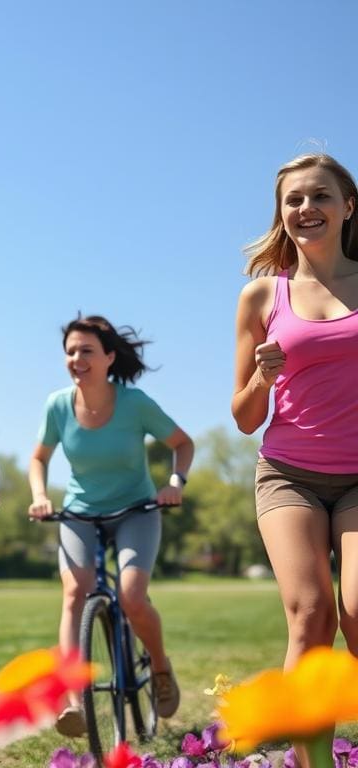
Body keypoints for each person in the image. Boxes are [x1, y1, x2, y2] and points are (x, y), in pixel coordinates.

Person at [28, 315, 193, 737]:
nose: (76, 359)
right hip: (80, 513)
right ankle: (72, 701)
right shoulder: (58, 405)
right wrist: (40, 495)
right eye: (70, 352)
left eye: (86, 351)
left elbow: (182, 444)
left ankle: (158, 667)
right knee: (73, 593)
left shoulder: (134, 403)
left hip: (136, 510)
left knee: (133, 596)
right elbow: (39, 458)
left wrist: (175, 483)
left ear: (108, 357)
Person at [232, 155, 358, 690]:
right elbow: (243, 416)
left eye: (321, 196)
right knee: (310, 616)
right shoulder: (263, 295)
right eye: (294, 200)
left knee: (356, 613)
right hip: (290, 474)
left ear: (348, 206)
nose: (308, 208)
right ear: (281, 213)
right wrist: (263, 377)